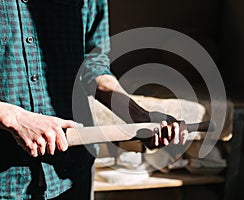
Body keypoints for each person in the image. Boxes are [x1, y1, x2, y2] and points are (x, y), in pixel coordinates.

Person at [0, 0, 187, 199]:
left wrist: (137, 114)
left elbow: (93, 63)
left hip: (71, 174)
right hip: (5, 180)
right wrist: (14, 117)